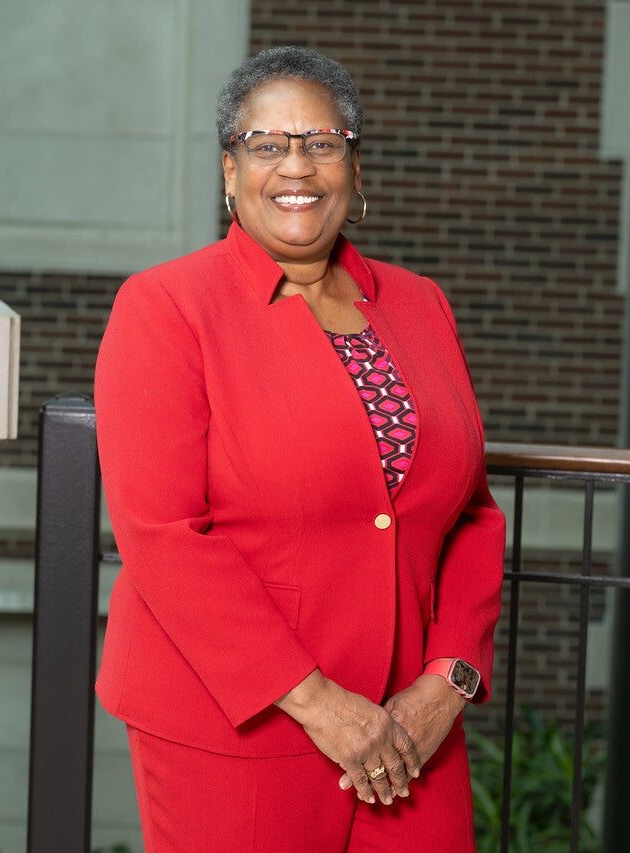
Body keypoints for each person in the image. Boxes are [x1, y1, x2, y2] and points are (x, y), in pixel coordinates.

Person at [93, 45, 505, 852]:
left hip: (409, 727)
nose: (297, 166)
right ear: (229, 170)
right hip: (238, 721)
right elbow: (163, 536)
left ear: (355, 168)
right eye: (267, 145)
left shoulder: (420, 304)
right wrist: (320, 702)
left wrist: (449, 680)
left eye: (322, 143)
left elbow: (470, 514)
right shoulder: (167, 307)